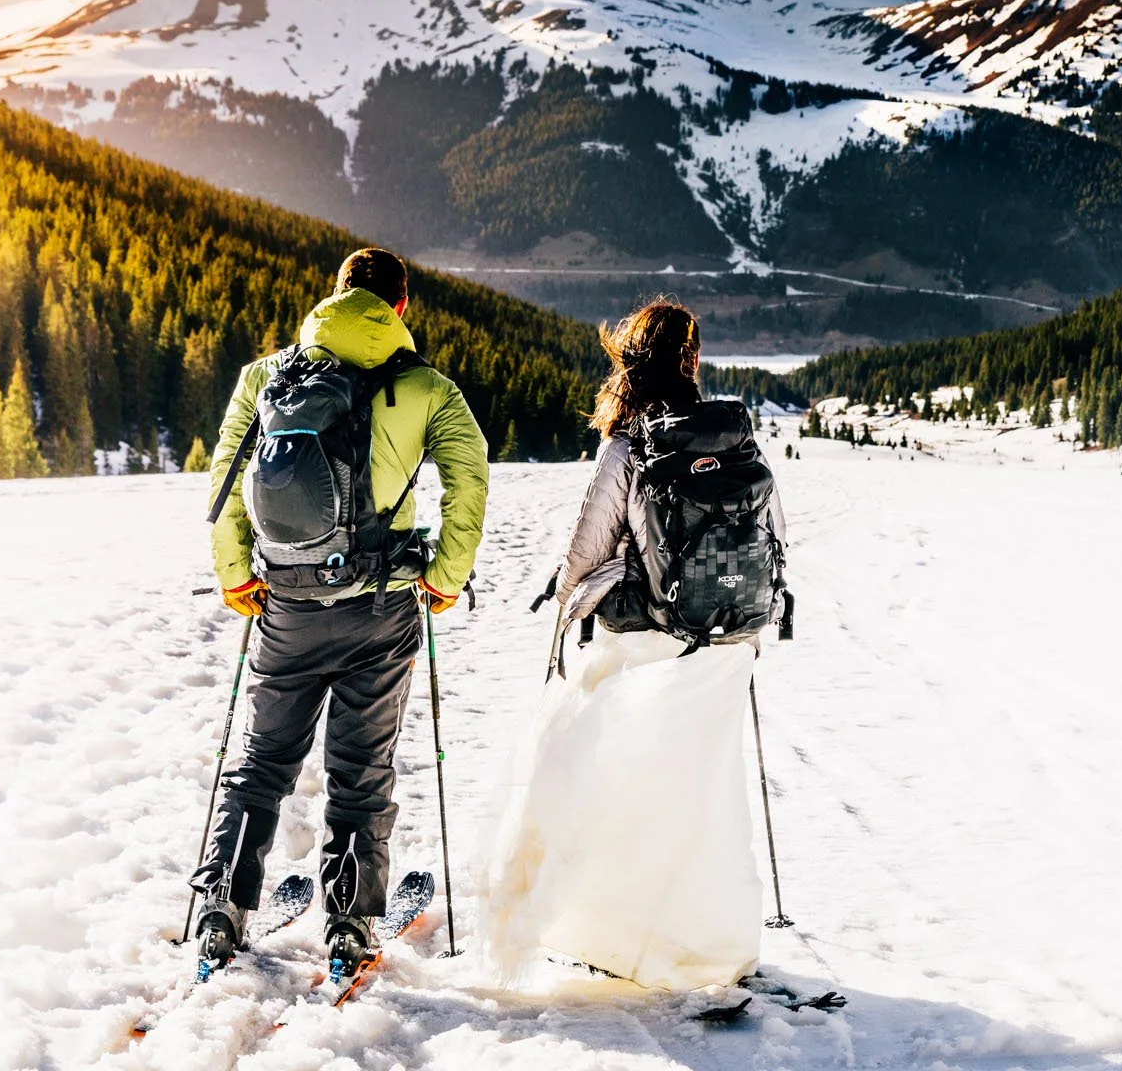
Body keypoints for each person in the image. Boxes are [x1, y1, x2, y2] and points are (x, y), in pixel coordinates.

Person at [193, 247, 488, 976]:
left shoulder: (266, 377)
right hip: (380, 611)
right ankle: (350, 924)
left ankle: (220, 912)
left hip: (285, 603)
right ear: (401, 307)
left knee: (260, 763)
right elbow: (470, 478)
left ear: (333, 295)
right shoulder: (427, 386)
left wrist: (237, 576)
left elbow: (226, 479)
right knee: (361, 773)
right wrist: (444, 578)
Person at [482, 301, 787, 991]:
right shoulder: (739, 439)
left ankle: (608, 935)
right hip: (730, 640)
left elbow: (587, 548)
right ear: (693, 359)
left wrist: (567, 603)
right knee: (708, 792)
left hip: (651, 637)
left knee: (600, 768)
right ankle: (712, 945)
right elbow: (776, 537)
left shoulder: (632, 444)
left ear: (632, 359)